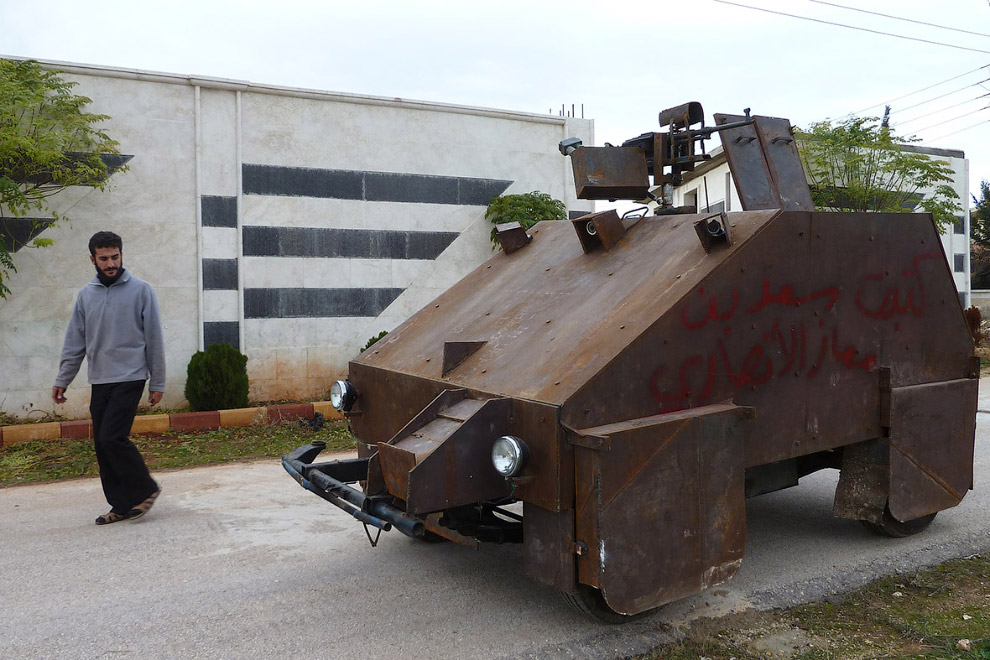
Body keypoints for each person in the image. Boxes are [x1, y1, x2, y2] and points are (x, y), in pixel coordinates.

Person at [52, 231, 165, 525]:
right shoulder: (86, 295)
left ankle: (146, 489)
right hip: (100, 378)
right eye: (104, 258)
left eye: (115, 257)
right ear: (93, 259)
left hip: (131, 376)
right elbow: (75, 341)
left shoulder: (142, 290)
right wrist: (63, 379)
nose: (111, 263)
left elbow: (154, 338)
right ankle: (120, 505)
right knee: (102, 445)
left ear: (122, 255)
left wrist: (158, 382)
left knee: (112, 437)